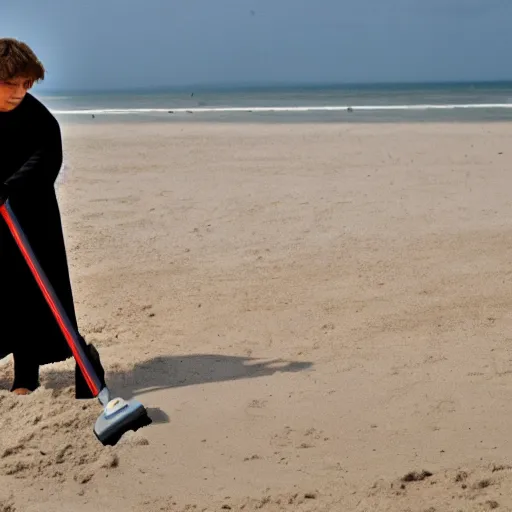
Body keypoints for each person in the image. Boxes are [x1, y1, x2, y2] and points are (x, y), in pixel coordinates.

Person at [0, 38, 105, 398]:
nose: (18, 92)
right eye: (10, 84)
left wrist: (12, 186)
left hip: (30, 217)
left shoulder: (37, 118)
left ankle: (26, 376)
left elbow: (47, 156)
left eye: (25, 84)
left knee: (31, 290)